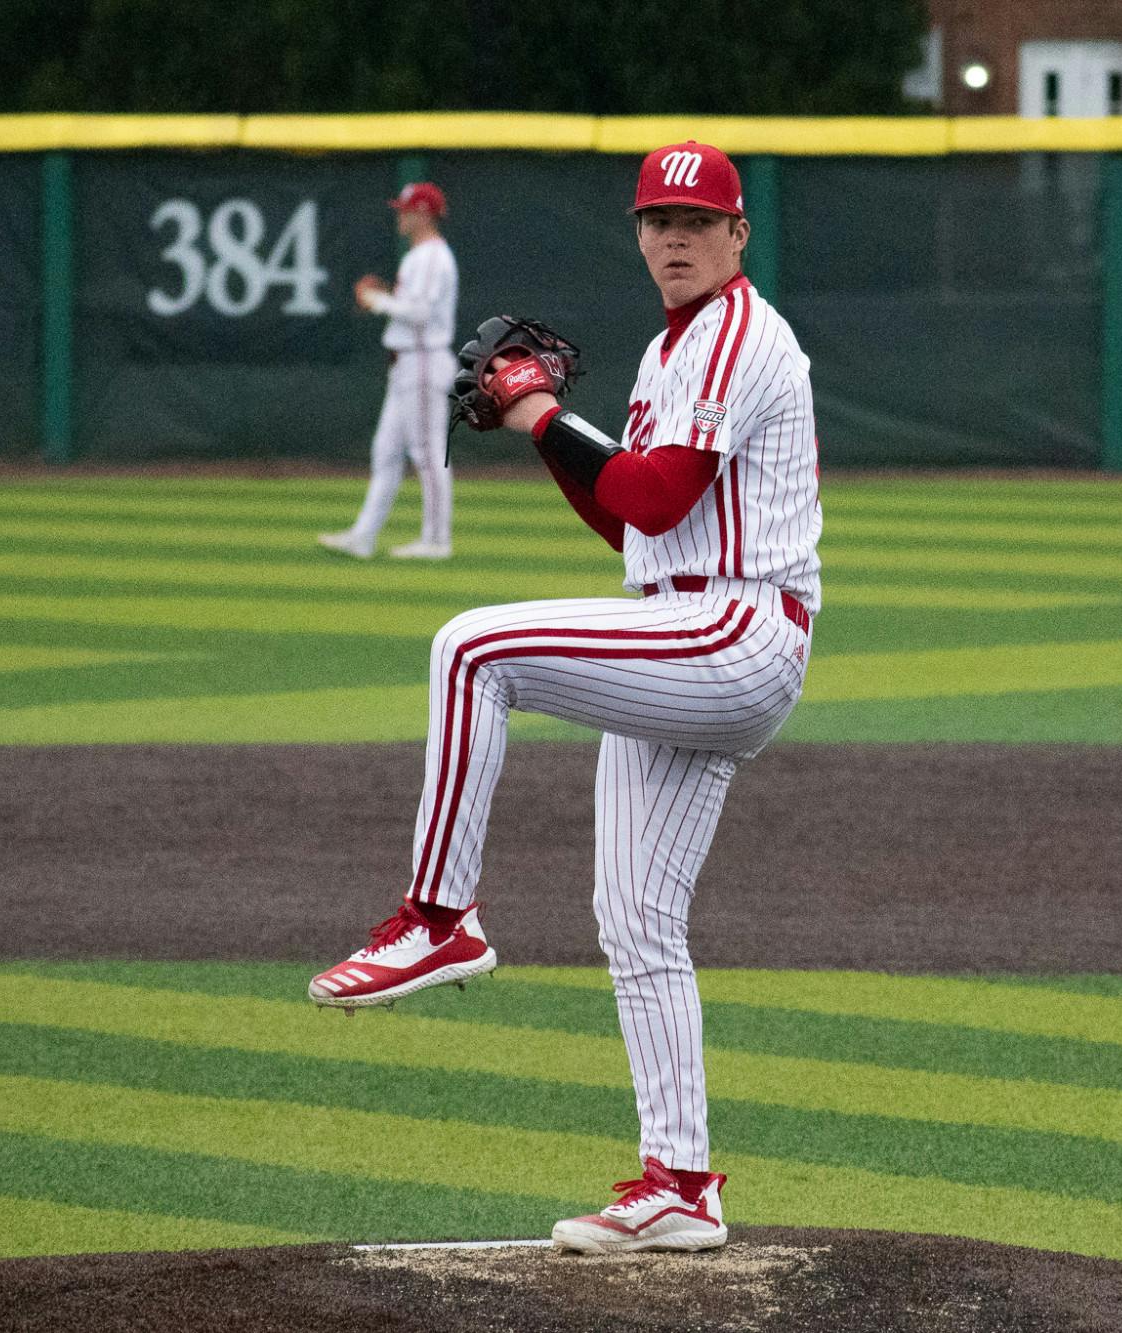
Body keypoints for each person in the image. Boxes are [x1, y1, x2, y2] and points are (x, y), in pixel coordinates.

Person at [309, 141, 820, 1256]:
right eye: (654, 219)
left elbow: (654, 487)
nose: (673, 237)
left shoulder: (737, 335)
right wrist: (541, 429)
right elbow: (632, 522)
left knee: (469, 645)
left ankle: (438, 921)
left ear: (738, 235)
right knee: (635, 920)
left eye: (696, 219)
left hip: (730, 629)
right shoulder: (669, 347)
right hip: (685, 631)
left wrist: (537, 410)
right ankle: (681, 1184)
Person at [319, 181, 459, 560]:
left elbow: (421, 313)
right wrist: (388, 301)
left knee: (428, 453)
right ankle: (363, 536)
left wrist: (378, 300)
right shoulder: (419, 255)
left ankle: (436, 540)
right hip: (406, 363)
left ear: (423, 213)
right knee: (386, 452)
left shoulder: (431, 256)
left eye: (405, 209)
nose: (400, 215)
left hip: (424, 358)